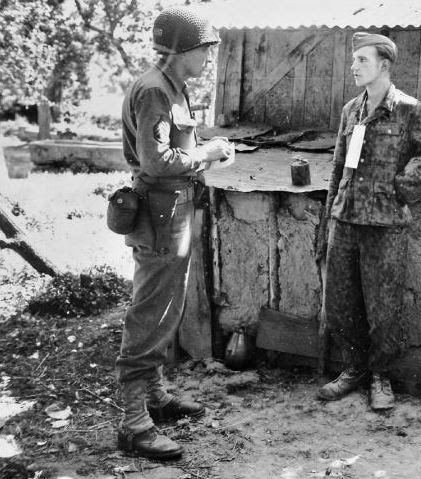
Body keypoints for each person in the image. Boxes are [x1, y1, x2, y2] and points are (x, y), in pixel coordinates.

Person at [116, 6, 235, 460]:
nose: (208, 59)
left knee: (165, 309)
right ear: (184, 50)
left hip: (173, 212)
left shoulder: (170, 87)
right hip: (161, 216)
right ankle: (133, 424)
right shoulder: (153, 91)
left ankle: (155, 397)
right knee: (151, 312)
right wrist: (208, 153)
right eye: (205, 50)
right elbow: (156, 162)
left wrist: (205, 156)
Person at [315, 32, 421, 411]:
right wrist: (330, 213)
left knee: (383, 305)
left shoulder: (410, 110)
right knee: (341, 303)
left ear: (385, 65)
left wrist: (403, 186)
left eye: (362, 59)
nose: (354, 66)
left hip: (385, 223)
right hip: (346, 220)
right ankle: (354, 369)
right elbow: (338, 167)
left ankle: (381, 376)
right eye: (354, 59)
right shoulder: (350, 111)